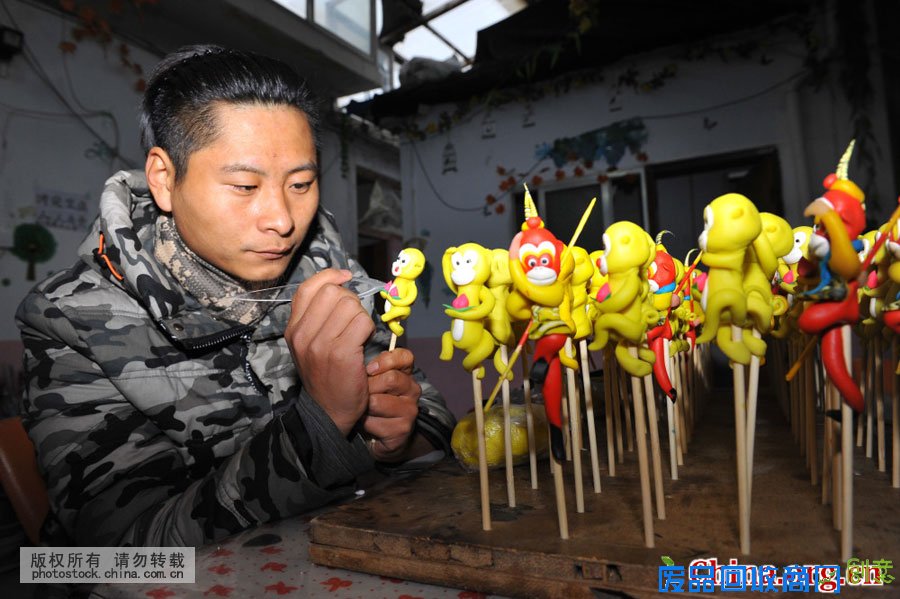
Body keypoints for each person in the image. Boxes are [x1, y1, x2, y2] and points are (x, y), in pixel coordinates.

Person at [15, 44, 455, 548]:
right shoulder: (71, 318)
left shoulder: (327, 272)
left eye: (301, 184)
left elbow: (433, 414)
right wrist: (320, 425)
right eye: (245, 186)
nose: (283, 220)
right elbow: (125, 550)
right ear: (164, 179)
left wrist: (396, 441)